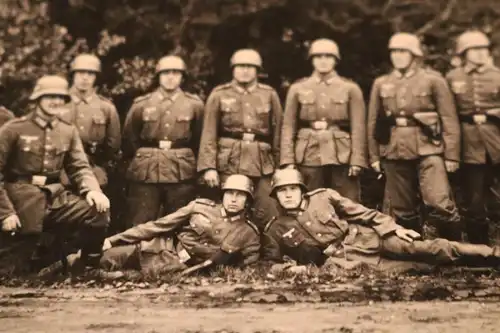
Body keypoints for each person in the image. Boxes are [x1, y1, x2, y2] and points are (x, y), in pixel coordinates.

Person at [262, 169, 500, 272]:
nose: (288, 194)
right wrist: (294, 269)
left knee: (428, 247)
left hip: (370, 239)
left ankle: (493, 254)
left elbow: (366, 214)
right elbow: (269, 263)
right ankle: (477, 267)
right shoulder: (275, 228)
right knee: (420, 268)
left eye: (293, 188)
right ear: (276, 197)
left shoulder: (324, 197)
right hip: (346, 261)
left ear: (302, 190)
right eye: (282, 191)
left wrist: (394, 228)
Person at [0, 75, 110, 272]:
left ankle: (87, 267)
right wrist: (5, 213)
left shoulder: (67, 130)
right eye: (49, 96)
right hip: (19, 200)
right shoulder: (13, 129)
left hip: (55, 198)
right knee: (13, 270)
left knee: (98, 211)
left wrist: (92, 190)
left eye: (60, 97)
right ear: (37, 99)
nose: (56, 101)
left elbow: (79, 167)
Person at [366, 32, 461, 240]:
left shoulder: (433, 81)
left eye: (403, 52)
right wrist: (374, 156)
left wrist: (452, 155)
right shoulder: (382, 83)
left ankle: (454, 251)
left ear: (414, 55)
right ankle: (414, 253)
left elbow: (449, 118)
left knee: (439, 201)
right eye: (394, 52)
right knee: (400, 208)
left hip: (429, 148)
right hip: (394, 148)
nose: (397, 56)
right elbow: (373, 121)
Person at [100, 174, 260, 275]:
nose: (233, 199)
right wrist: (113, 240)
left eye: (240, 195)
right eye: (229, 193)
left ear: (247, 201)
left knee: (126, 275)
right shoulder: (199, 207)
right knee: (97, 259)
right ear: (222, 195)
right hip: (156, 251)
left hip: (182, 269)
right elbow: (159, 225)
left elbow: (247, 265)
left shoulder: (249, 233)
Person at [197, 49, 282, 228]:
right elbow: (209, 132)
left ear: (257, 70)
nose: (245, 71)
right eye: (240, 66)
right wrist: (209, 167)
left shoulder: (269, 94)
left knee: (268, 210)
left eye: (250, 67)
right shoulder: (219, 94)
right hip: (229, 160)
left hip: (262, 163)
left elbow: (278, 132)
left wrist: (280, 166)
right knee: (228, 210)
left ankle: (268, 254)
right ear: (233, 69)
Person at [280, 38, 367, 200]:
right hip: (308, 152)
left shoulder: (350, 88)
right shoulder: (298, 88)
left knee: (348, 201)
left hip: (341, 153)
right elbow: (288, 126)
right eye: (318, 57)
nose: (323, 61)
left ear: (336, 60)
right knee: (310, 200)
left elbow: (359, 127)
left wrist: (357, 160)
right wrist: (287, 159)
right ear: (312, 60)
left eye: (328, 56)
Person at [122, 55, 203, 227]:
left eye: (176, 73)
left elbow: (200, 138)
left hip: (181, 171)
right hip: (147, 170)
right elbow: (130, 138)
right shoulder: (142, 104)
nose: (171, 77)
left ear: (182, 77)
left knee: (179, 221)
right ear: (158, 76)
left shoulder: (194, 105)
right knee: (141, 220)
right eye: (166, 73)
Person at [446, 31, 500, 245]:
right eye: (473, 50)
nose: (479, 54)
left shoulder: (497, 75)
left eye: (483, 49)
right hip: (468, 144)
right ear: (464, 53)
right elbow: (446, 112)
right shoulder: (452, 77)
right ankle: (480, 249)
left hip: (496, 139)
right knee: (474, 199)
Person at [58, 53, 122, 188]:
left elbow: (113, 145)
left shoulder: (106, 108)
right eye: (81, 72)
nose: (85, 77)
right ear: (73, 75)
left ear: (96, 78)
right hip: (59, 171)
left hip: (93, 170)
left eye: (90, 74)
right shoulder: (58, 104)